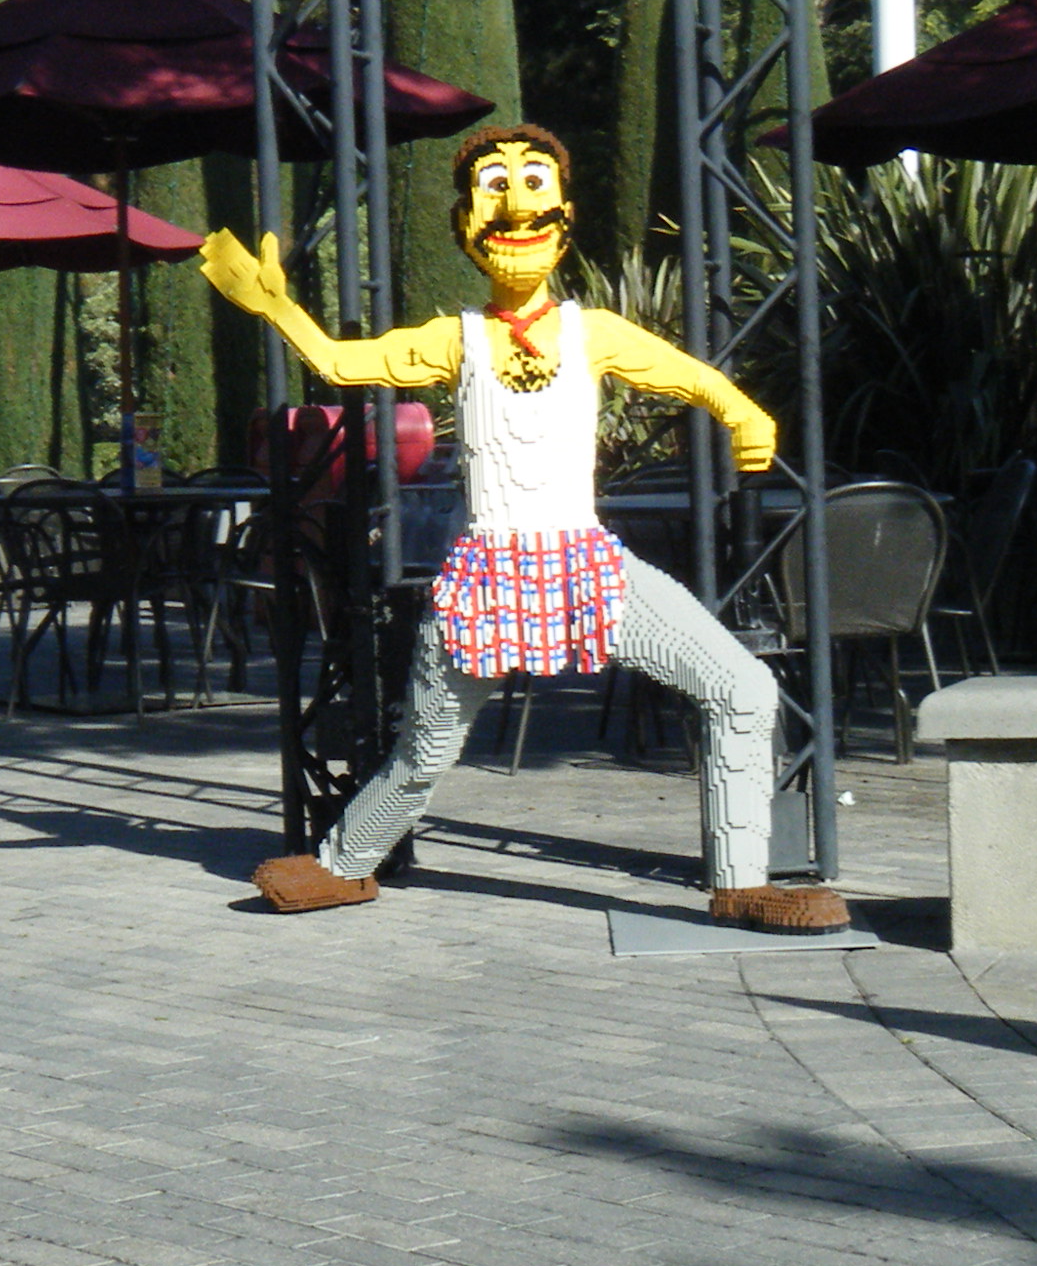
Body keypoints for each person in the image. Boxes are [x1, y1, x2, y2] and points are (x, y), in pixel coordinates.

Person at [193, 121, 846, 932]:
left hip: (592, 571)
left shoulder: (594, 333)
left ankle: (742, 881)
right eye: (494, 188)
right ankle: (344, 865)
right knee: (426, 748)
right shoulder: (454, 340)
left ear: (564, 211)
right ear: (465, 222)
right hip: (485, 580)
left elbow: (690, 377)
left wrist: (744, 413)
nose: (514, 206)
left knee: (741, 687)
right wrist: (279, 309)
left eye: (534, 183)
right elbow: (340, 363)